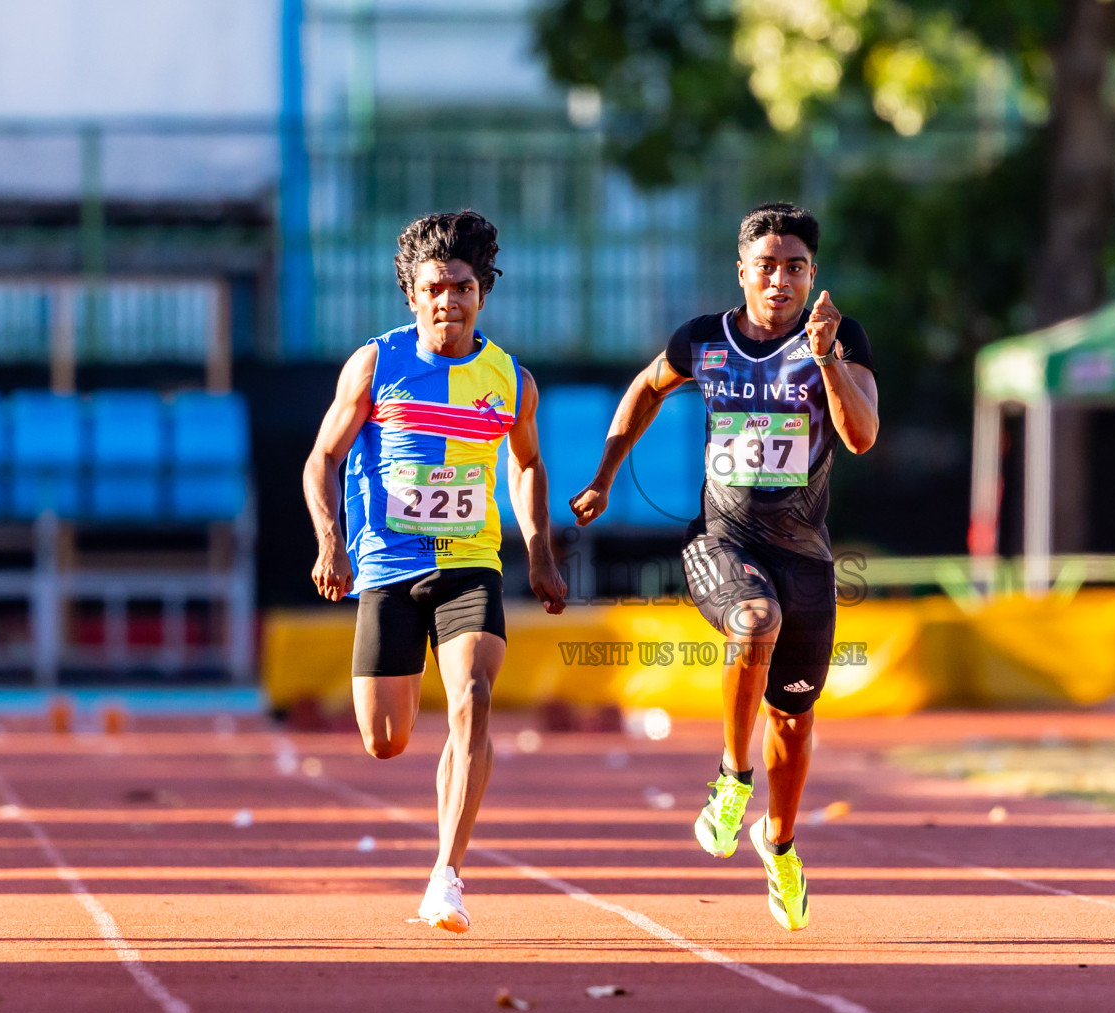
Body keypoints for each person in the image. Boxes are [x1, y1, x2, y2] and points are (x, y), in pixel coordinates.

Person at [570, 202, 879, 930]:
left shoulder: (839, 338)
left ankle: (781, 844)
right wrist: (605, 475)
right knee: (753, 619)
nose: (780, 281)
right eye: (766, 267)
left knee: (793, 721)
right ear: (742, 272)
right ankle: (733, 778)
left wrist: (827, 358)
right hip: (722, 540)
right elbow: (647, 387)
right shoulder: (703, 340)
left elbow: (861, 436)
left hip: (804, 556)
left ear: (812, 275)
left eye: (795, 268)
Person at [303, 211, 567, 934]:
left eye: (462, 287)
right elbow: (323, 458)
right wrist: (331, 543)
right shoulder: (375, 364)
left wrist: (540, 551)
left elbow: (527, 464)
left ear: (482, 293)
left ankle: (446, 875)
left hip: (469, 564)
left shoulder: (510, 379)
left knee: (473, 697)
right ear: (412, 296)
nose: (449, 300)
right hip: (388, 568)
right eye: (434, 288)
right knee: (385, 740)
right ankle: (436, 777)